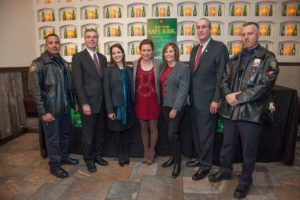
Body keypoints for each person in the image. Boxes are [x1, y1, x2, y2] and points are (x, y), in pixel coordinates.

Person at [208, 22, 279, 199]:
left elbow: (264, 86)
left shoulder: (268, 58)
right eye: (243, 34)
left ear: (258, 35)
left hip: (251, 113)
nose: (246, 37)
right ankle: (225, 170)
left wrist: (237, 98)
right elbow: (223, 80)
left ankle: (245, 181)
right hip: (231, 111)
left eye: (250, 33)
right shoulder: (235, 58)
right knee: (227, 145)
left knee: (249, 150)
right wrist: (228, 96)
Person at [28, 34, 79, 178]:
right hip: (51, 110)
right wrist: (43, 112)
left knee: (65, 135)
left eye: (57, 42)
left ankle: (63, 157)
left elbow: (69, 85)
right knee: (53, 139)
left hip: (65, 108)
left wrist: (74, 102)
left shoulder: (63, 62)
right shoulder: (38, 63)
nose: (54, 45)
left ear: (60, 45)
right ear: (46, 45)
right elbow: (35, 90)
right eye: (51, 43)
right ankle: (55, 166)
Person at [187, 18, 229, 181]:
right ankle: (200, 158)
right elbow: (193, 76)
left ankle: (205, 166)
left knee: (206, 135)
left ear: (211, 29)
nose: (201, 30)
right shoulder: (194, 49)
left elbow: (222, 76)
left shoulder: (219, 48)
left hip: (209, 101)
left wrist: (216, 99)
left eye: (204, 27)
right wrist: (189, 96)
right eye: (198, 28)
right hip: (195, 100)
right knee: (198, 134)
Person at [72, 28, 108, 173]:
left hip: (102, 102)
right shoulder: (78, 57)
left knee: (100, 132)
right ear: (85, 39)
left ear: (97, 39)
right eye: (89, 37)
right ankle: (88, 159)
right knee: (88, 134)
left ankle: (98, 156)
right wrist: (84, 103)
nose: (92, 39)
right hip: (88, 103)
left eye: (94, 37)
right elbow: (78, 83)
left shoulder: (103, 58)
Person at [159, 43, 190, 178]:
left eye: (171, 51)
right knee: (168, 133)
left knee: (172, 134)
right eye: (166, 52)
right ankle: (172, 157)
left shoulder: (183, 68)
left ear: (176, 52)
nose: (168, 54)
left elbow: (183, 91)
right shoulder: (163, 66)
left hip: (177, 107)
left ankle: (177, 163)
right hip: (165, 105)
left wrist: (175, 108)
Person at [103, 44, 134, 167]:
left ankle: (125, 153)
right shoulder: (108, 70)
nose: (116, 55)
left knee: (126, 131)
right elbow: (106, 91)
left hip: (129, 106)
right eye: (114, 53)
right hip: (116, 107)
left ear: (123, 53)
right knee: (117, 132)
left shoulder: (129, 69)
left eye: (119, 52)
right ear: (111, 55)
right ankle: (121, 155)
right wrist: (110, 110)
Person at [133, 39, 161, 165]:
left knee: (153, 127)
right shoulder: (135, 64)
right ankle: (145, 150)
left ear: (152, 51)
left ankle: (152, 150)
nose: (146, 52)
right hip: (140, 101)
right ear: (140, 51)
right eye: (143, 50)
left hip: (154, 100)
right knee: (143, 128)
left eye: (148, 50)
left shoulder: (158, 64)